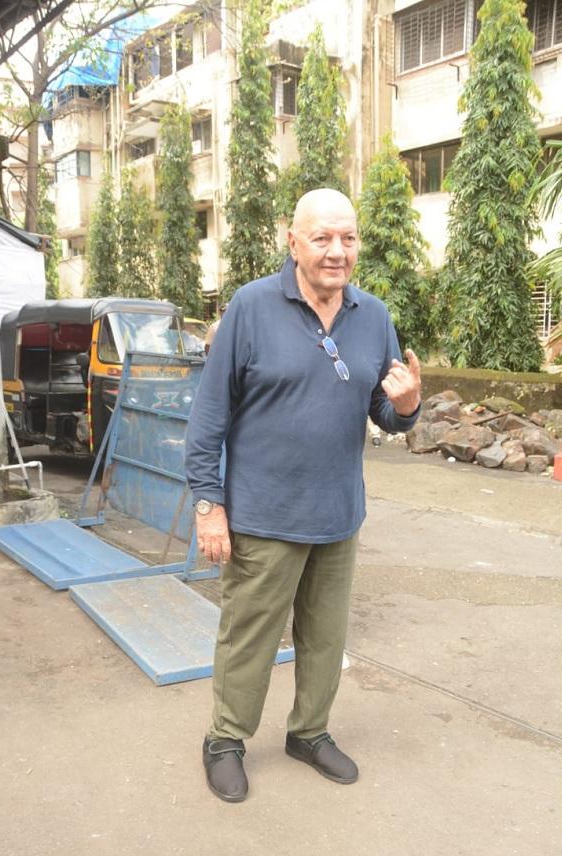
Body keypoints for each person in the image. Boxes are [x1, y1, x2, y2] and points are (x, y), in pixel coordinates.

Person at [185, 188, 421, 803]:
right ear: (293, 242)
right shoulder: (251, 307)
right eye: (322, 238)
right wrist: (210, 506)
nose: (336, 251)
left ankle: (309, 732)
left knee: (325, 636)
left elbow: (383, 409)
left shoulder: (374, 316)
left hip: (338, 515)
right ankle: (226, 740)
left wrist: (407, 405)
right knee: (249, 636)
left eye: (347, 238)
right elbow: (209, 416)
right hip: (263, 515)